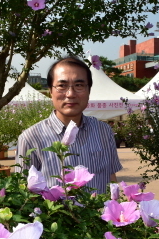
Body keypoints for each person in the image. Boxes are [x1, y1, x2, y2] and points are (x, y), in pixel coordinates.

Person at [16, 56, 122, 193]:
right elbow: (22, 191)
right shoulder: (30, 138)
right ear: (50, 90)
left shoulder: (103, 131)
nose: (70, 94)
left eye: (79, 85)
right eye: (62, 86)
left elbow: (111, 177)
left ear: (89, 90)